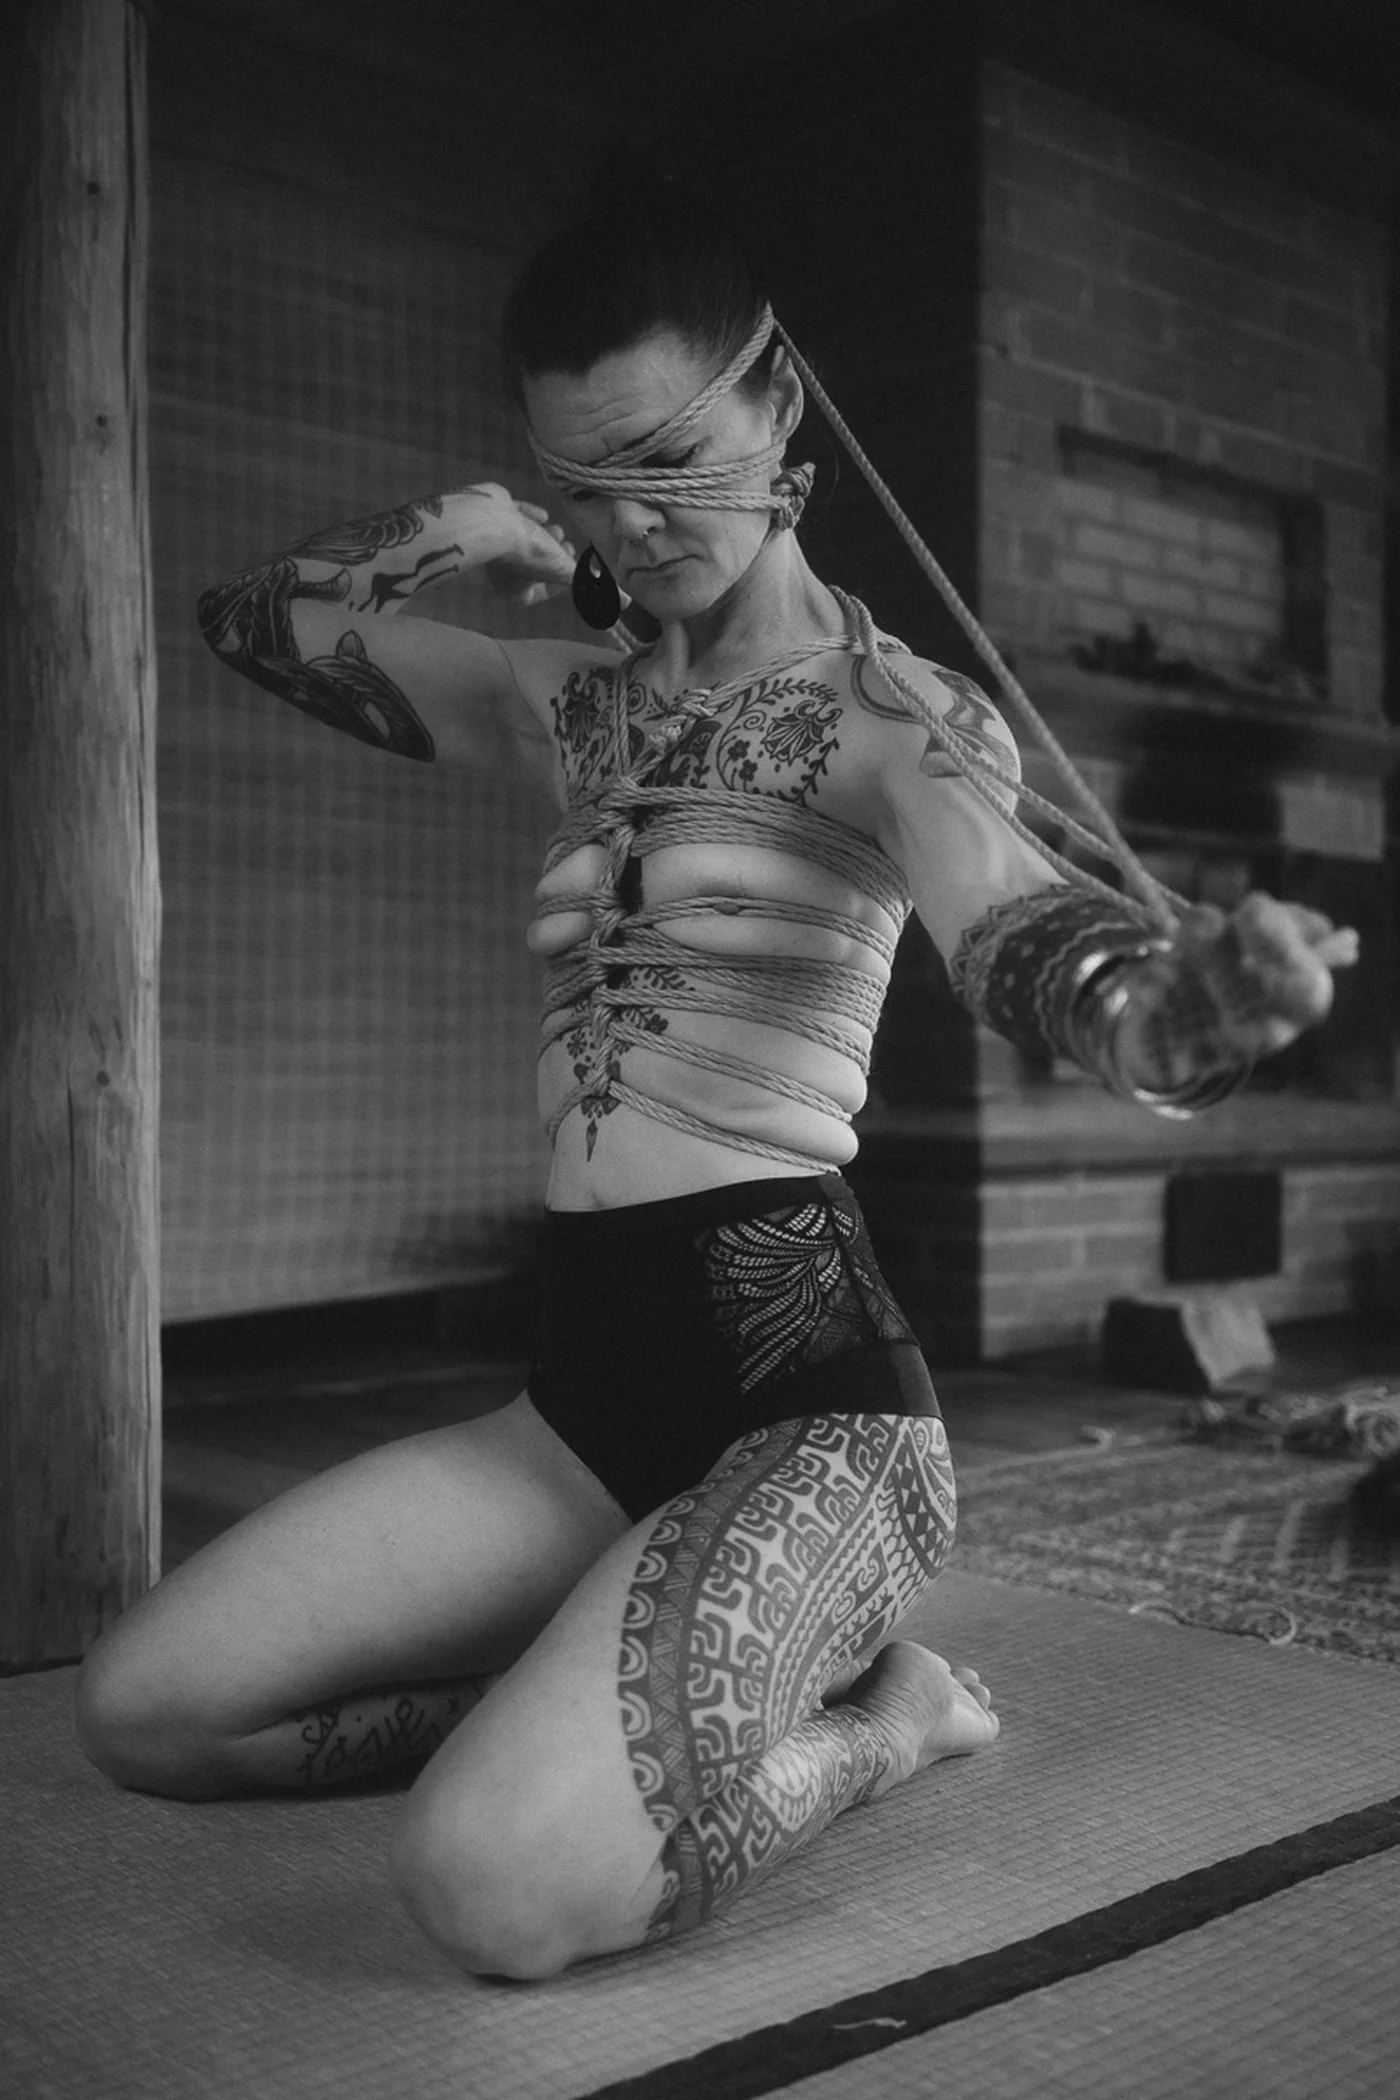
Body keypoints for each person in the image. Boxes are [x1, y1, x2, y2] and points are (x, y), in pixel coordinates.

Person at [75, 173, 1356, 1980]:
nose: (631, 518)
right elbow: (250, 620)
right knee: (147, 1711)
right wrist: (453, 533)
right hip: (580, 1409)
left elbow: (1034, 943)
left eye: (669, 457)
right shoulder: (571, 696)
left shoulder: (894, 718)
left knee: (495, 1891)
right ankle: (600, 1691)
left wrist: (1195, 1003)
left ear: (782, 407)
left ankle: (889, 1717)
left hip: (812, 1409)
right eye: (583, 474)